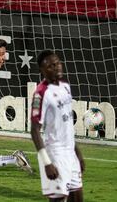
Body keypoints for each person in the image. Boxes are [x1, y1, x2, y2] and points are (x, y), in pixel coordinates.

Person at [30, 50, 85, 202]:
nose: (57, 67)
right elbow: (34, 130)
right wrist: (47, 162)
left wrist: (77, 152)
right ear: (43, 70)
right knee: (58, 200)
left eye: (58, 63)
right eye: (51, 65)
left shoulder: (65, 85)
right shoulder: (41, 93)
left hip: (70, 153)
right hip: (55, 154)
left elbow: (66, 124)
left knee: (77, 198)